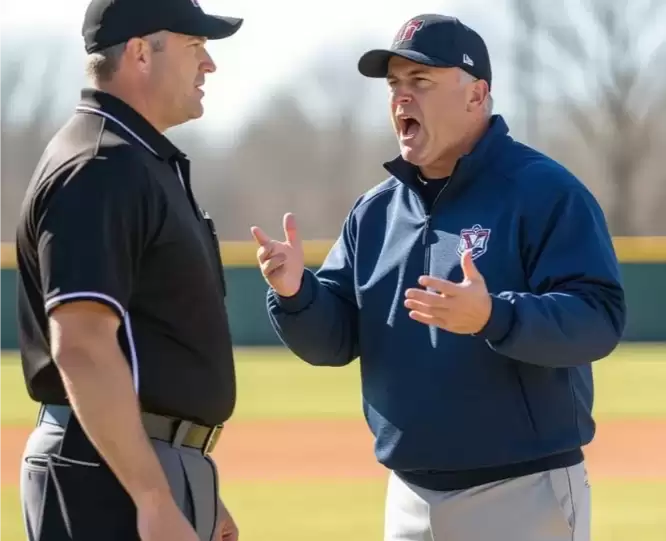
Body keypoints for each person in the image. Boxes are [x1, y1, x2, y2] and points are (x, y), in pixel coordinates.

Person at [251, 14, 626, 541]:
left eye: (421, 82)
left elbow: (599, 317)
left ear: (476, 96)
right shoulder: (375, 212)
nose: (402, 98)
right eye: (395, 85)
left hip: (521, 492)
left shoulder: (543, 192)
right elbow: (334, 341)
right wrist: (296, 294)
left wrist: (495, 315)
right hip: (408, 496)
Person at [15, 0, 243, 540]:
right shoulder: (100, 165)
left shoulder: (133, 158)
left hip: (135, 465)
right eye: (195, 46)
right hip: (105, 477)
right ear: (141, 53)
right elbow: (83, 344)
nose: (208, 64)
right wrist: (153, 496)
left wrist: (191, 485)